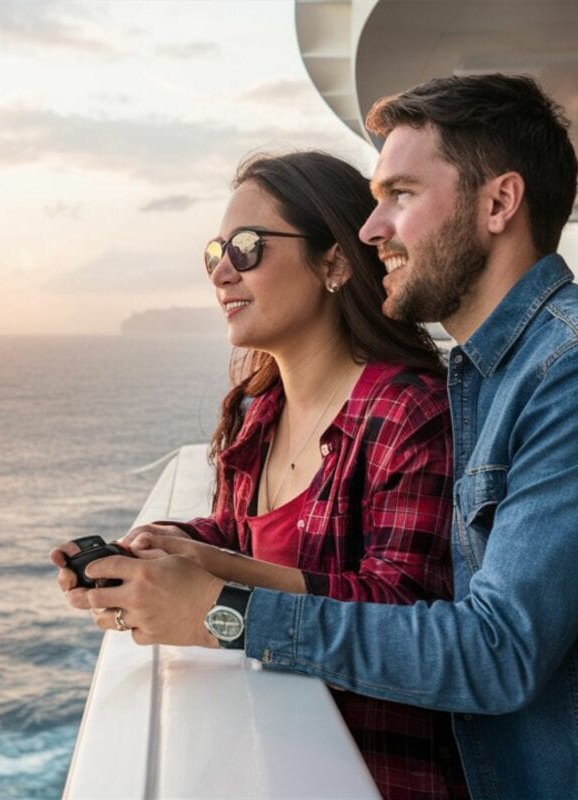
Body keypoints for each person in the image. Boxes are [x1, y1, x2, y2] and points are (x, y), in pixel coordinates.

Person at [55, 73, 578, 799]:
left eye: (400, 195)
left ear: (498, 203)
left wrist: (220, 608)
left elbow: (492, 650)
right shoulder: (483, 378)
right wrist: (180, 553)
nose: (371, 230)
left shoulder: (560, 374)